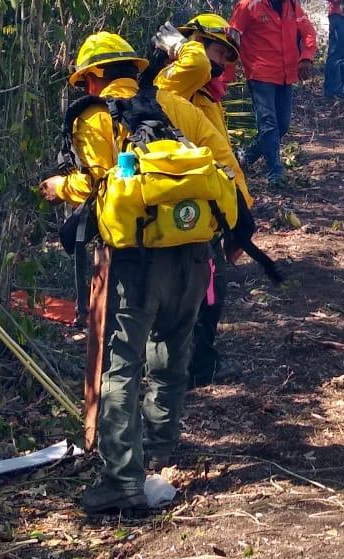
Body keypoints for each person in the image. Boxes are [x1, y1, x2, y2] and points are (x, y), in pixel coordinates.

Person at [39, 33, 232, 515]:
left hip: (134, 260)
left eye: (85, 79)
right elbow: (221, 161)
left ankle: (123, 480)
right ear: (132, 66)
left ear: (93, 76)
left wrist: (61, 186)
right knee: (170, 356)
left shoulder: (94, 114)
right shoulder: (174, 103)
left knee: (121, 366)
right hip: (191, 250)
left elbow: (96, 179)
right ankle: (159, 458)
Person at [157, 14, 253, 387]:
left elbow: (223, 157)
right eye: (218, 52)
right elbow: (195, 63)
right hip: (189, 209)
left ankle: (196, 364)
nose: (221, 65)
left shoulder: (205, 99)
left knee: (209, 293)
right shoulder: (175, 83)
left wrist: (241, 213)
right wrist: (183, 45)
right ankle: (193, 368)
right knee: (199, 293)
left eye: (228, 59)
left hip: (210, 209)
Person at [230, 0, 316, 187]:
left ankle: (246, 156)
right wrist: (225, 73)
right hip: (260, 75)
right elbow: (232, 39)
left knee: (283, 125)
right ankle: (275, 172)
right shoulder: (249, 5)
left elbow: (307, 31)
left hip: (286, 75)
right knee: (268, 123)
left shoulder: (293, 6)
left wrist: (306, 56)